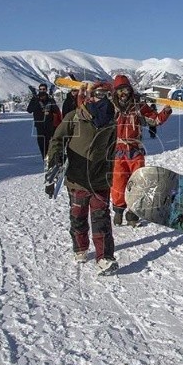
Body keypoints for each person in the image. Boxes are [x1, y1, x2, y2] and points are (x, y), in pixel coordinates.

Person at [46, 81, 119, 275]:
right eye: (98, 95)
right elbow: (57, 140)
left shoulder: (112, 122)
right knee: (78, 217)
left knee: (101, 218)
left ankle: (104, 257)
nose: (102, 99)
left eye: (106, 95)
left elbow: (113, 149)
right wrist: (55, 162)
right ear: (89, 96)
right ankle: (80, 247)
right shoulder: (75, 118)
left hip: (100, 179)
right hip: (77, 179)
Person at [110, 74, 172, 226]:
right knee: (118, 182)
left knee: (138, 181)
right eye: (119, 91)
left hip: (135, 149)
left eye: (125, 89)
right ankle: (118, 211)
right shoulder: (110, 107)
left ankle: (133, 213)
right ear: (115, 92)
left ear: (130, 90)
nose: (123, 93)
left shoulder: (139, 105)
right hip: (117, 150)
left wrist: (165, 112)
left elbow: (155, 120)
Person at [26, 83, 61, 162]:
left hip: (49, 124)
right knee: (41, 142)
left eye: (44, 89)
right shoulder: (35, 99)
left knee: (50, 141)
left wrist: (51, 102)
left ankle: (50, 156)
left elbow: (56, 109)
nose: (42, 91)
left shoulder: (49, 99)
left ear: (46, 90)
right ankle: (44, 157)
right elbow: (29, 110)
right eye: (40, 89)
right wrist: (37, 103)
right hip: (39, 124)